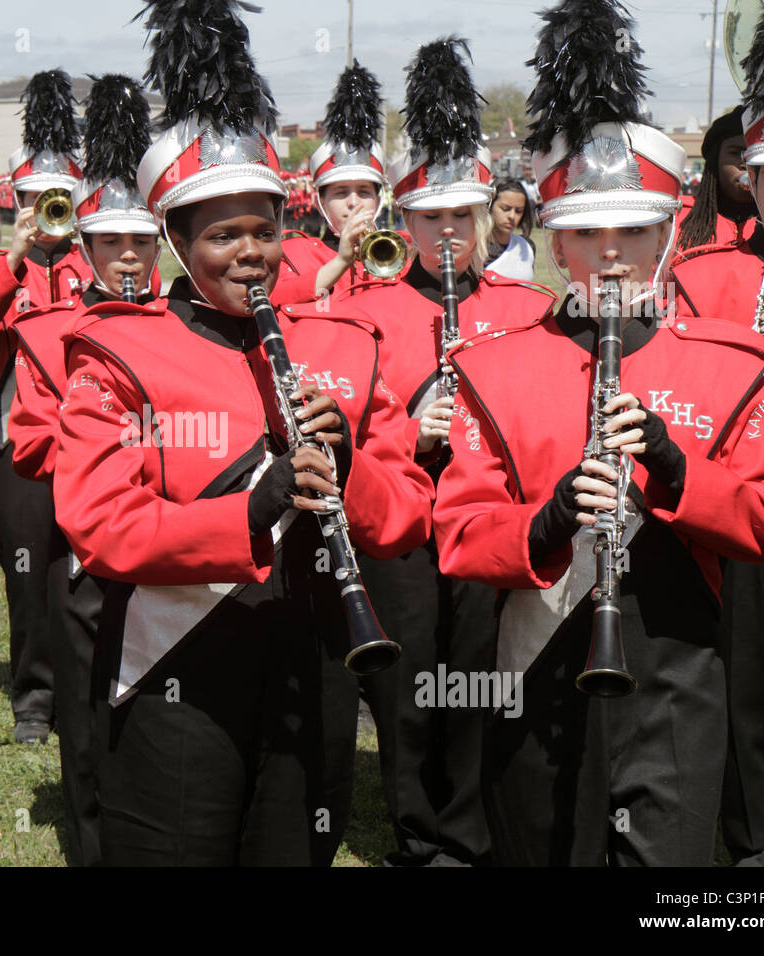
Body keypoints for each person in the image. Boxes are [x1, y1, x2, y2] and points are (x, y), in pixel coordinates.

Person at [52, 0, 434, 866]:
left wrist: (348, 472)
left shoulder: (341, 343)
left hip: (313, 658)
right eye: (222, 235)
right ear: (177, 243)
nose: (251, 253)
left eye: (265, 230)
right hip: (176, 672)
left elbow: (404, 512)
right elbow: (100, 524)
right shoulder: (118, 350)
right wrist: (250, 509)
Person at [432, 0, 764, 866]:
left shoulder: (727, 360)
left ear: (667, 232)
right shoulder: (493, 365)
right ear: (554, 242)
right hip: (536, 668)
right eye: (583, 233)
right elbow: (457, 532)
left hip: (677, 680)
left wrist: (676, 474)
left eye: (630, 232)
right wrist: (548, 521)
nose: (607, 255)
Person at [335, 38, 555, 869]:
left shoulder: (526, 305)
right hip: (402, 510)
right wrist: (411, 428)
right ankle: (415, 827)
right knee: (405, 677)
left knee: (474, 671)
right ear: (406, 221)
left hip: (487, 515)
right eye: (431, 218)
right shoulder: (368, 308)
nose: (449, 233)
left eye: (462, 216)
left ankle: (465, 825)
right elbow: (342, 421)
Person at [669, 0, 764, 867]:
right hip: (733, 482)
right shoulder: (702, 270)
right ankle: (749, 838)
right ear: (749, 179)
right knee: (736, 666)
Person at [8, 73, 160, 867]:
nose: (128, 256)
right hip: (86, 544)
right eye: (111, 243)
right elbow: (29, 443)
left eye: (140, 241)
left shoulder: (188, 325)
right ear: (88, 247)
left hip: (175, 549)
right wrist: (101, 432)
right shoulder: (47, 333)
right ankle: (93, 832)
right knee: (86, 700)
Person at [0, 68, 91, 745]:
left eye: (59, 198)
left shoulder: (98, 258)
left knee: (92, 565)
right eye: (36, 198)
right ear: (19, 200)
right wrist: (14, 254)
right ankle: (34, 697)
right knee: (29, 573)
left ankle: (87, 684)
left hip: (94, 437)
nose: (48, 210)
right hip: (24, 439)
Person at [272, 61, 388, 304]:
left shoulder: (401, 254)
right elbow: (278, 299)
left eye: (364, 192)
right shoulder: (293, 254)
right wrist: (340, 263)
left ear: (378, 200)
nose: (354, 203)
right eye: (341, 192)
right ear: (320, 200)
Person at [677, 109, 757, 250]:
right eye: (735, 153)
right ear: (715, 162)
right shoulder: (677, 217)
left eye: (755, 154)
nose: (745, 163)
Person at [485, 176, 536, 280]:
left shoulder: (527, 247)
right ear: (490, 206)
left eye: (519, 211)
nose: (512, 216)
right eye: (505, 209)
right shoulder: (475, 249)